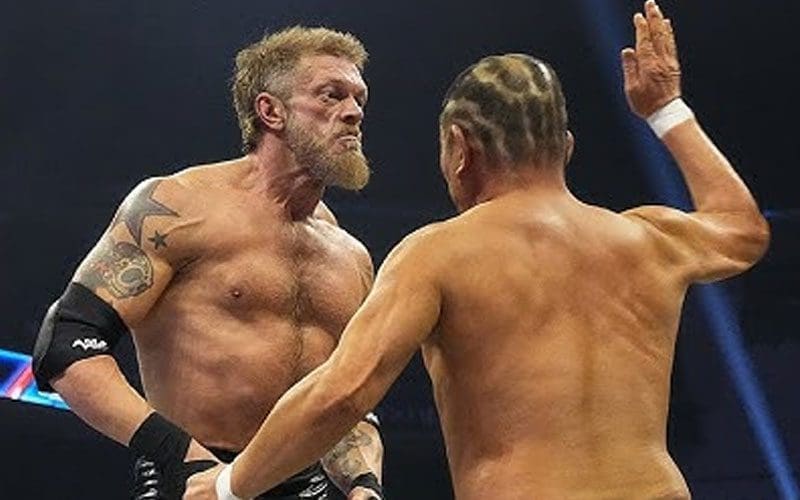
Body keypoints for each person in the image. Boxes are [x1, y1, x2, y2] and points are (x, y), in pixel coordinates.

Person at [183, 1, 771, 499]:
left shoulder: (440, 253)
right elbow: (742, 228)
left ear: (459, 149)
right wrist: (666, 109)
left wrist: (229, 485)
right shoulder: (650, 239)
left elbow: (343, 393)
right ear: (565, 147)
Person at [31, 26, 385, 500]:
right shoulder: (176, 207)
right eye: (332, 95)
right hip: (189, 475)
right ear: (271, 111)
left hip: (304, 486)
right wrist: (184, 457)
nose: (354, 112)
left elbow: (344, 398)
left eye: (360, 98)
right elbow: (67, 346)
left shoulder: (350, 256)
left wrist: (364, 484)